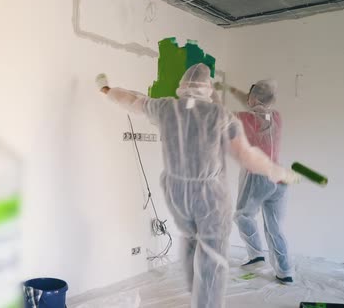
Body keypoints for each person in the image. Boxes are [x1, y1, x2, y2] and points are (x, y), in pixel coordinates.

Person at [97, 64, 300, 308]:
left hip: (175, 190)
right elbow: (247, 157)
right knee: (212, 252)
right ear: (208, 88)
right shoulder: (221, 115)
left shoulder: (165, 107)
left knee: (191, 238)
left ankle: (199, 288)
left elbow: (133, 99)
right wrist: (276, 171)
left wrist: (107, 89)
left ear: (183, 85)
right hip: (208, 194)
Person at [216, 79, 294, 284]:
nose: (247, 99)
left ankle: (256, 255)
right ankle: (285, 272)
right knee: (274, 226)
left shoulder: (245, 118)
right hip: (279, 176)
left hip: (259, 176)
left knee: (243, 215)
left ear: (254, 98)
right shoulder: (275, 116)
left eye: (249, 95)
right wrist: (231, 88)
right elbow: (255, 103)